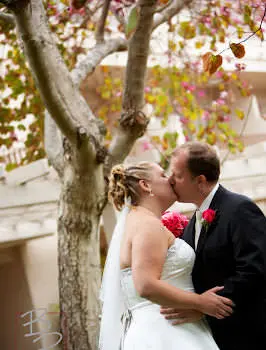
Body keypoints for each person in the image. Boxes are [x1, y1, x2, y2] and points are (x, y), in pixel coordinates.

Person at [99, 161, 234, 350]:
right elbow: (145, 285)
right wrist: (201, 302)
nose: (170, 179)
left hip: (170, 327)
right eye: (162, 175)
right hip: (166, 333)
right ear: (145, 185)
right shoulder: (147, 225)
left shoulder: (141, 221)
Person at [162, 141, 266, 350]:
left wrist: (203, 307)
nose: (170, 181)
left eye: (178, 175)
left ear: (200, 181)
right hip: (215, 335)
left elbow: (254, 269)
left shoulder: (239, 208)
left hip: (247, 332)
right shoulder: (193, 220)